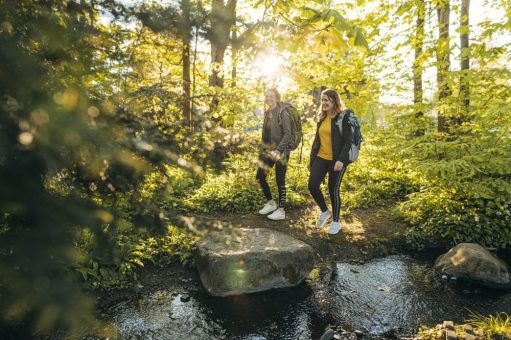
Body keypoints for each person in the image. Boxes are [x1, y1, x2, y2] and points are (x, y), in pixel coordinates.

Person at [308, 89, 353, 235]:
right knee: (312, 186)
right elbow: (317, 140)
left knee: (333, 189)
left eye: (327, 100)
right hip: (321, 157)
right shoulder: (322, 117)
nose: (324, 103)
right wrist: (312, 160)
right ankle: (325, 212)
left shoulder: (342, 118)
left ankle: (336, 222)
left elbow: (348, 141)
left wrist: (341, 160)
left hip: (336, 160)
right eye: (322, 100)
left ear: (334, 101)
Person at [256, 88, 291, 220]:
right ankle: (271, 203)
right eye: (266, 96)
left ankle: (281, 211)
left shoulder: (283, 113)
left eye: (271, 96)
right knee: (260, 176)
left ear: (277, 98)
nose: (268, 98)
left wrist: (278, 150)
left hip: (281, 152)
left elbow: (288, 134)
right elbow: (265, 135)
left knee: (280, 180)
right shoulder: (267, 113)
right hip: (267, 151)